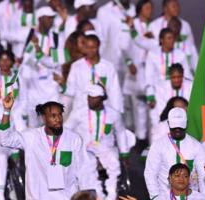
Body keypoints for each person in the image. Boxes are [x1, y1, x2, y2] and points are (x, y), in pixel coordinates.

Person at [0, 95, 100, 200]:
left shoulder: (73, 139)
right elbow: (6, 139)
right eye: (53, 115)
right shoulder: (31, 137)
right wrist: (6, 111)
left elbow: (83, 169)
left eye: (59, 115)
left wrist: (89, 196)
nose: (58, 119)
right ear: (44, 118)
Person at [65, 84, 130, 200]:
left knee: (114, 163)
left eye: (94, 97)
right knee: (88, 165)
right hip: (85, 147)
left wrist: (124, 153)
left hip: (106, 147)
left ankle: (111, 196)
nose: (90, 99)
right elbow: (66, 129)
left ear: (102, 99)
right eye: (89, 96)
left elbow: (121, 133)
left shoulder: (113, 114)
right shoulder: (78, 113)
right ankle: (99, 197)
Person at [144, 107, 205, 198]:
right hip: (165, 199)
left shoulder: (196, 146)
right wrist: (155, 197)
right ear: (168, 123)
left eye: (180, 126)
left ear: (186, 124)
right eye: (174, 126)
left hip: (190, 199)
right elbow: (150, 173)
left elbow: (203, 176)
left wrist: (204, 199)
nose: (177, 129)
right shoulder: (158, 145)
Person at [145, 28, 192, 129]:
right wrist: (150, 95)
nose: (172, 41)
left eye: (173, 38)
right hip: (160, 90)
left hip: (181, 92)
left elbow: (187, 75)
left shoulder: (181, 54)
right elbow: (148, 77)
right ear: (162, 40)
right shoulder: (152, 55)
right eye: (169, 38)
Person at [65, 32, 124, 113]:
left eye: (93, 47)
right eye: (87, 47)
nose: (90, 50)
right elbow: (70, 91)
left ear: (98, 47)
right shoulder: (76, 66)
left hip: (103, 111)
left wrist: (117, 111)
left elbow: (115, 91)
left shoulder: (108, 67)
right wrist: (62, 85)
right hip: (81, 111)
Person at [122, 0, 154, 145]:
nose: (150, 10)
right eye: (147, 8)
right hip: (136, 70)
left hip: (151, 70)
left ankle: (151, 138)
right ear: (140, 9)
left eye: (151, 8)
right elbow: (123, 45)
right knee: (138, 105)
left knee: (152, 105)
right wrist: (129, 63)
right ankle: (140, 138)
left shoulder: (155, 25)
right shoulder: (131, 24)